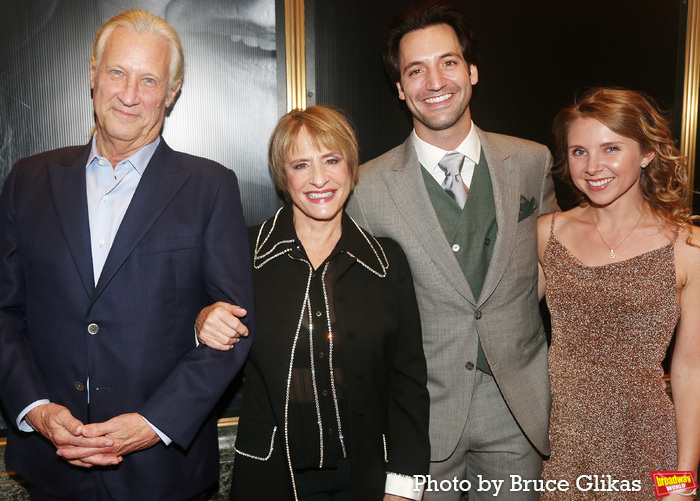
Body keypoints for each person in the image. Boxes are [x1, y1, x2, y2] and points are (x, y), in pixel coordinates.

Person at [0, 9, 255, 500]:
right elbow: (4, 313)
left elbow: (234, 331)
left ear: (172, 92)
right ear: (93, 74)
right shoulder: (28, 181)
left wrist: (152, 423)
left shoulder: (210, 187)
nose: (129, 94)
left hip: (163, 474)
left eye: (149, 79)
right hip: (53, 471)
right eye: (117, 72)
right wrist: (35, 409)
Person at [343, 2, 557, 499]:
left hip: (517, 409)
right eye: (415, 70)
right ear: (400, 89)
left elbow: (558, 259)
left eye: (448, 62)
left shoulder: (531, 161)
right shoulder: (366, 187)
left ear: (472, 71)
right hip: (420, 414)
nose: (434, 80)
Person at [196, 105, 430, 501]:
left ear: (351, 168)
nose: (319, 178)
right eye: (301, 165)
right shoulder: (243, 252)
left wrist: (405, 487)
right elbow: (178, 320)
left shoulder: (386, 262)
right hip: (270, 476)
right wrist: (202, 318)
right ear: (283, 177)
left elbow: (407, 383)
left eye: (331, 160)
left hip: (366, 477)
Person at [538, 87, 700, 500]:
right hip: (561, 448)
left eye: (611, 148)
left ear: (647, 153)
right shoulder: (547, 234)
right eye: (579, 152)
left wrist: (684, 477)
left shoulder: (689, 247)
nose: (593, 166)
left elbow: (689, 370)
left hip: (647, 445)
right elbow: (504, 329)